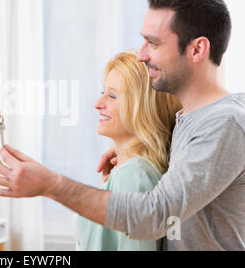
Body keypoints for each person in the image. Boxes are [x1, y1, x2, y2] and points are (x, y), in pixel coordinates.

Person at [0, 0, 245, 250]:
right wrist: (131, 146)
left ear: (197, 49)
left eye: (153, 43)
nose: (142, 54)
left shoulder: (224, 123)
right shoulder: (192, 119)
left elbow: (155, 216)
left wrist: (50, 184)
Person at [77, 52, 181, 251]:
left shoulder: (133, 175)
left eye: (112, 95)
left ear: (141, 107)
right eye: (103, 92)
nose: (98, 103)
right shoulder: (128, 171)